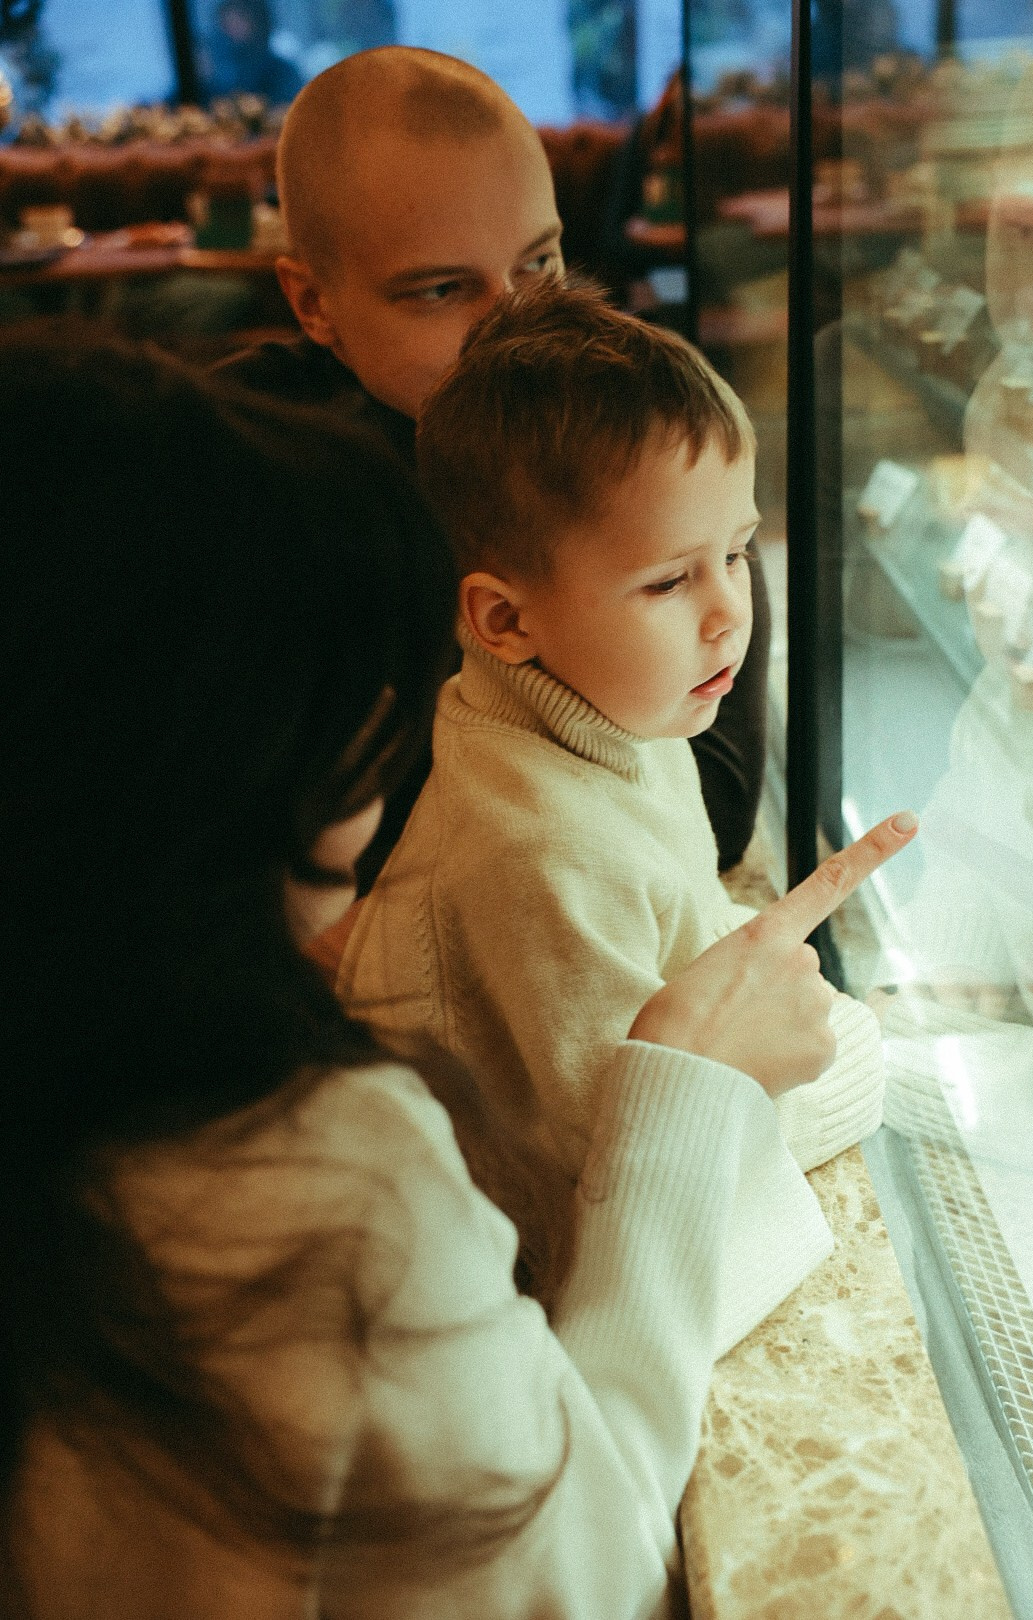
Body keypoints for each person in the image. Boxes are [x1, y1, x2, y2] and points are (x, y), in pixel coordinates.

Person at [0, 322, 915, 1618]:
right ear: (166, 757)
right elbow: (583, 1567)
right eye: (324, 684)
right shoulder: (320, 1194)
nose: (387, 728)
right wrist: (702, 1087)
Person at [337, 280, 904, 1222]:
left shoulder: (617, 719)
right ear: (504, 619)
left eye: (738, 553)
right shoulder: (541, 852)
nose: (728, 614)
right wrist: (860, 1059)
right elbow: (630, 1167)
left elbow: (678, 931)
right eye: (669, 582)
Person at [219, 44, 772, 877]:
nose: (518, 321)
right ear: (312, 303)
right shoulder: (240, 467)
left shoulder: (629, 426)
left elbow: (716, 803)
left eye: (538, 264)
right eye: (442, 290)